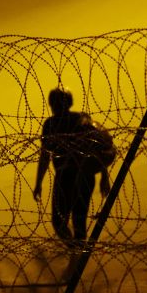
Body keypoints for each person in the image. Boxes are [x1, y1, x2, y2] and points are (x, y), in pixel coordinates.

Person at [33, 88, 112, 248]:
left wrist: (104, 177)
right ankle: (76, 255)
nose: (56, 106)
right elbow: (45, 155)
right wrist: (38, 183)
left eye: (58, 103)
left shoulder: (77, 121)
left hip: (75, 176)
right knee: (66, 221)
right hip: (73, 177)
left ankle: (77, 259)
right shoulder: (58, 123)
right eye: (54, 103)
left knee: (72, 221)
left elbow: (97, 149)